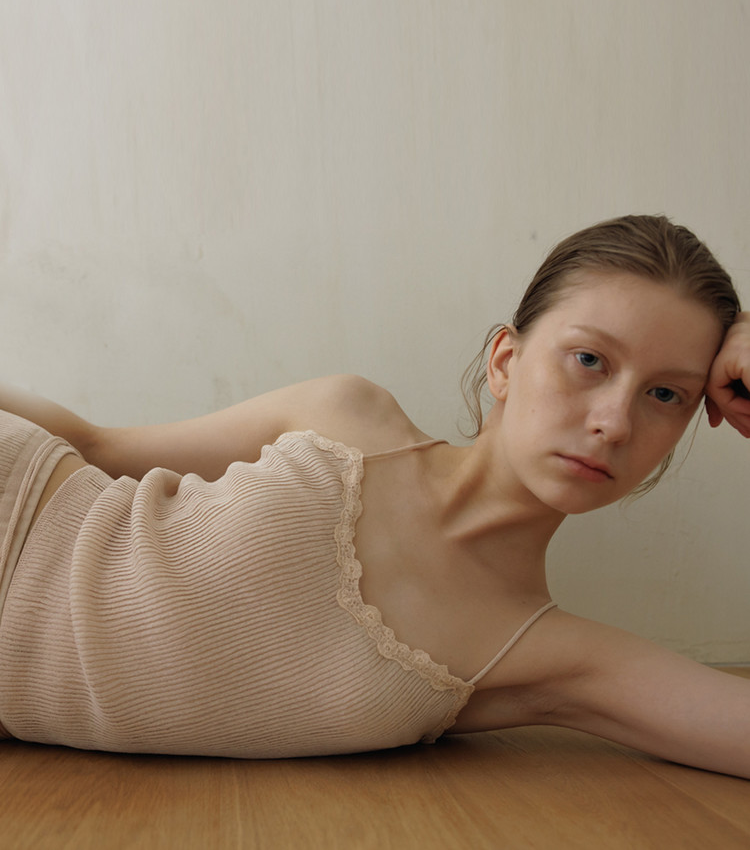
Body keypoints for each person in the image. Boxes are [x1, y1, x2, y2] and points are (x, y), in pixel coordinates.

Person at [0, 215, 748, 774]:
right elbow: (97, 446)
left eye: (665, 394)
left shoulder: (541, 653)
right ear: (505, 361)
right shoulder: (348, 416)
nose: (614, 422)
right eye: (588, 359)